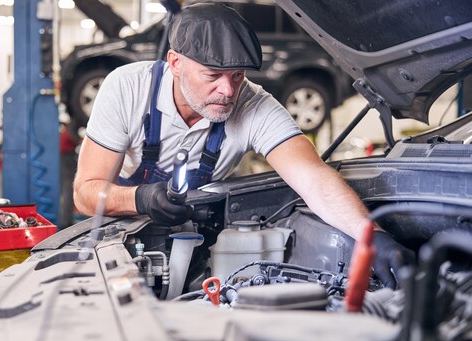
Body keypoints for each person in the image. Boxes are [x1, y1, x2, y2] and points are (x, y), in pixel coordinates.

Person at [73, 3, 413, 288]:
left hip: (194, 237)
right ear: (176, 64)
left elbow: (314, 178)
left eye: (237, 76)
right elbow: (85, 193)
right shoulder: (127, 89)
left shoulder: (253, 105)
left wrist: (371, 234)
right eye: (212, 76)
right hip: (119, 236)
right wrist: (140, 198)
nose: (228, 90)